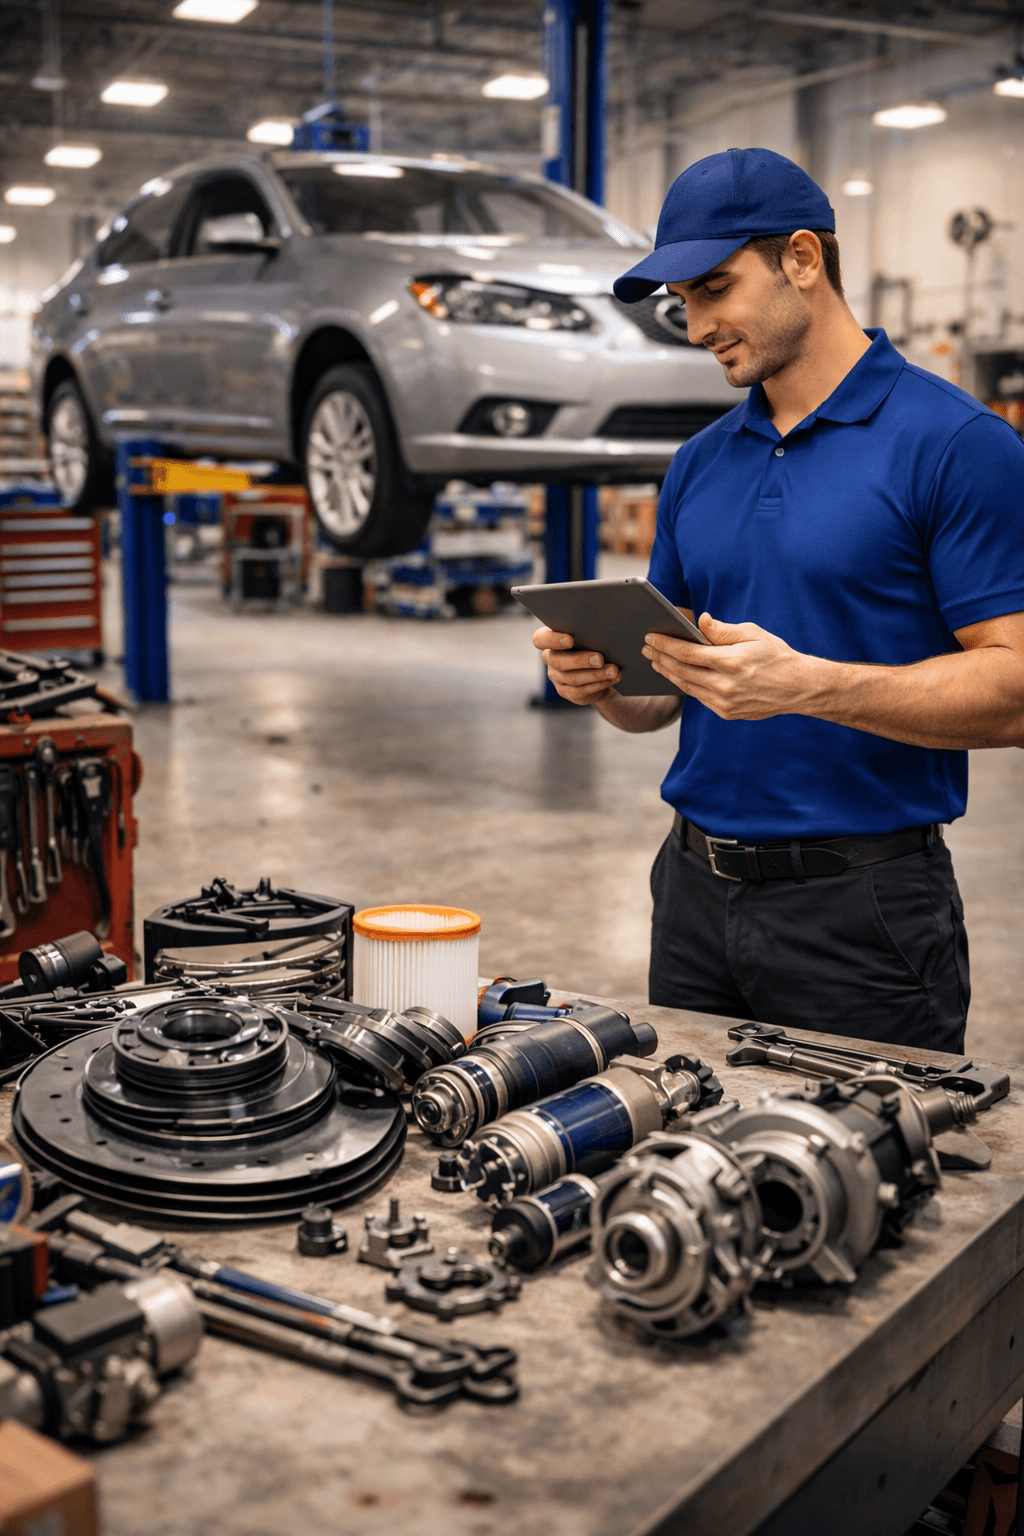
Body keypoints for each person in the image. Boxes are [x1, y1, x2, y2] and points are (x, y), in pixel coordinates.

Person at [533, 147, 1024, 1053]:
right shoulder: (699, 463)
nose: (696, 327)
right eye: (682, 301)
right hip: (690, 895)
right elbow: (660, 699)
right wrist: (601, 682)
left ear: (802, 258)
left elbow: (1016, 689)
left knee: (862, 1149)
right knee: (691, 1139)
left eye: (714, 289)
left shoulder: (957, 444)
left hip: (863, 914)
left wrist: (809, 686)